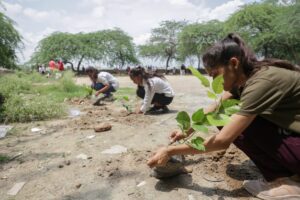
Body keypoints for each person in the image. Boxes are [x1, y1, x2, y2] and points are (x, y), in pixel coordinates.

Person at [147, 33, 300, 200]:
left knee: (232, 123)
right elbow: (215, 107)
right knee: (224, 115)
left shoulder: (263, 81)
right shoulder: (244, 77)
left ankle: (288, 182)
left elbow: (222, 141)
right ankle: (286, 175)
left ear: (233, 63)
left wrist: (170, 151)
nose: (214, 81)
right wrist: (187, 130)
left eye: (214, 75)